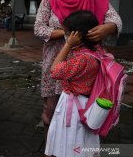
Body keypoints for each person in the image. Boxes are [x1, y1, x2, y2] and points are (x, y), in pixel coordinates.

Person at [34, 0, 122, 146]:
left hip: (86, 64)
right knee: (53, 106)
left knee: (86, 107)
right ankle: (54, 143)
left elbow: (115, 20)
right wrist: (66, 35)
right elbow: (39, 28)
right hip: (56, 59)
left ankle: (82, 145)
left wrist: (107, 28)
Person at [45, 10, 101, 157]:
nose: (66, 36)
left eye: (68, 33)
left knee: (71, 136)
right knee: (82, 136)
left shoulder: (82, 58)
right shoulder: (96, 52)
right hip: (86, 103)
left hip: (74, 105)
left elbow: (54, 71)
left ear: (77, 36)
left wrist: (67, 45)